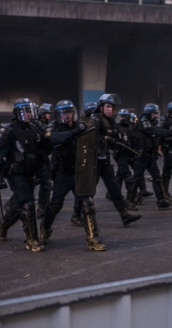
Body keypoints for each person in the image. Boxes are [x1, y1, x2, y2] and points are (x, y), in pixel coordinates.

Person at [40, 100, 106, 250]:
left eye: (69, 112)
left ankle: (93, 237)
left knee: (87, 203)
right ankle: (44, 229)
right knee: (55, 205)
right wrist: (75, 132)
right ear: (59, 114)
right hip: (62, 171)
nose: (67, 115)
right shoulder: (53, 127)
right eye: (64, 112)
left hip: (79, 170)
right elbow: (53, 138)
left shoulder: (80, 125)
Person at [0, 98, 50, 252]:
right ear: (17, 113)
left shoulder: (33, 129)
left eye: (29, 110)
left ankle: (2, 225)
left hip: (30, 172)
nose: (28, 114)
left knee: (21, 204)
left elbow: (42, 150)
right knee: (27, 203)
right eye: (24, 111)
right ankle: (32, 240)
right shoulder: (8, 131)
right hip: (15, 173)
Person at [91, 94, 141, 225]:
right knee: (89, 189)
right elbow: (91, 137)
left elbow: (114, 137)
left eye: (112, 107)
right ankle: (77, 213)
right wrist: (106, 139)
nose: (110, 109)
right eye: (107, 106)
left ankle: (124, 215)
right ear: (101, 107)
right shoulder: (95, 119)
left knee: (114, 187)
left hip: (105, 158)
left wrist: (116, 143)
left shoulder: (111, 121)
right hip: (95, 160)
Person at [131, 103, 172, 210]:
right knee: (137, 178)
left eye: (156, 113)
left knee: (157, 177)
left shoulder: (152, 122)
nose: (156, 115)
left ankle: (161, 200)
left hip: (150, 154)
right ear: (148, 113)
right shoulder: (144, 121)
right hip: (141, 154)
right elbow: (154, 131)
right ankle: (130, 200)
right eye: (154, 113)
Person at [32, 103, 53, 218]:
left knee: (46, 182)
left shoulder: (47, 125)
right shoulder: (35, 125)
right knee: (31, 183)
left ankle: (42, 207)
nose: (50, 115)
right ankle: (13, 204)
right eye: (48, 113)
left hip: (44, 157)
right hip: (35, 159)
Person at [114, 109, 136, 208]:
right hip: (120, 154)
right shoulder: (116, 128)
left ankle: (114, 194)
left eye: (123, 117)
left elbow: (134, 141)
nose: (121, 118)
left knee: (121, 175)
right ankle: (129, 199)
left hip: (130, 154)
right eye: (120, 116)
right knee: (127, 175)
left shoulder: (132, 127)